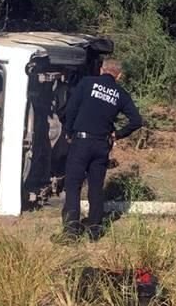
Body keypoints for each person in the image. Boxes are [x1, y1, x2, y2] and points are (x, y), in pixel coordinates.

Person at [60, 59, 143, 241]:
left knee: (73, 185)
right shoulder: (120, 94)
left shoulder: (87, 83)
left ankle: (71, 231)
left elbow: (72, 108)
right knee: (96, 187)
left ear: (101, 70)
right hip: (101, 145)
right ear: (119, 76)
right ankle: (95, 230)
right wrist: (118, 134)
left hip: (81, 141)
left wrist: (68, 131)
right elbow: (136, 120)